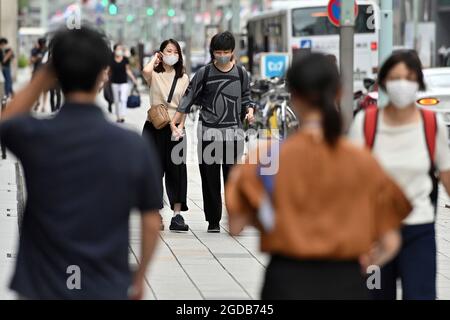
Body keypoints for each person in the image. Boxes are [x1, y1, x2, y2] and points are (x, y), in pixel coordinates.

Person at [226, 53, 413, 300]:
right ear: (338, 93)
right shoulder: (363, 161)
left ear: (293, 96)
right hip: (346, 283)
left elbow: (236, 224)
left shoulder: (264, 158)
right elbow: (390, 242)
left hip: (286, 281)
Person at [0, 26, 162, 300]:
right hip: (106, 282)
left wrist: (44, 76)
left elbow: (6, 121)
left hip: (44, 282)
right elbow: (150, 220)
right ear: (103, 73)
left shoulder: (37, 136)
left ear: (56, 74)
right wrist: (140, 274)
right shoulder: (131, 144)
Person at [349, 50, 450, 300]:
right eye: (394, 78)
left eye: (408, 77)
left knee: (420, 295)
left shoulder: (431, 124)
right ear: (383, 82)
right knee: (373, 296)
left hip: (419, 230)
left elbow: (447, 175)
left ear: (418, 82)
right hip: (374, 234)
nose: (401, 84)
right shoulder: (365, 123)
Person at [174, 31, 256, 233]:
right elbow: (189, 97)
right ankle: (213, 221)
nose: (221, 55)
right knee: (210, 179)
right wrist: (176, 121)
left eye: (225, 52)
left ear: (232, 52)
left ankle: (234, 217)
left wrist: (250, 110)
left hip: (234, 133)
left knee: (233, 179)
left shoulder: (241, 73)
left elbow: (246, 96)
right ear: (212, 52)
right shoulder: (205, 73)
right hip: (209, 133)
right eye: (218, 52)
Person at [142, 39, 190, 232]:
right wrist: (154, 58)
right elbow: (145, 71)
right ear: (160, 54)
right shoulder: (154, 74)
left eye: (175, 51)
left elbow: (184, 105)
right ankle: (156, 214)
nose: (172, 54)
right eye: (168, 51)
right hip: (154, 127)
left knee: (177, 171)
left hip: (176, 129)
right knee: (153, 171)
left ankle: (177, 216)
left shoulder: (184, 78)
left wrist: (181, 126)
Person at [110, 44, 138, 123]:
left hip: (124, 82)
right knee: (116, 100)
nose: (119, 50)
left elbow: (127, 70)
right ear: (114, 50)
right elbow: (108, 70)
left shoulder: (125, 59)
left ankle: (122, 115)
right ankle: (118, 116)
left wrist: (133, 79)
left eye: (121, 49)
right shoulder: (111, 59)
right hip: (114, 82)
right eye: (118, 49)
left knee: (123, 99)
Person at [30, 38, 48, 111]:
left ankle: (43, 106)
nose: (42, 46)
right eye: (41, 44)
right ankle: (37, 102)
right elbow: (31, 61)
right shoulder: (35, 50)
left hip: (45, 72)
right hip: (36, 71)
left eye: (43, 44)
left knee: (45, 90)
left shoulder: (47, 50)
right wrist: (37, 58)